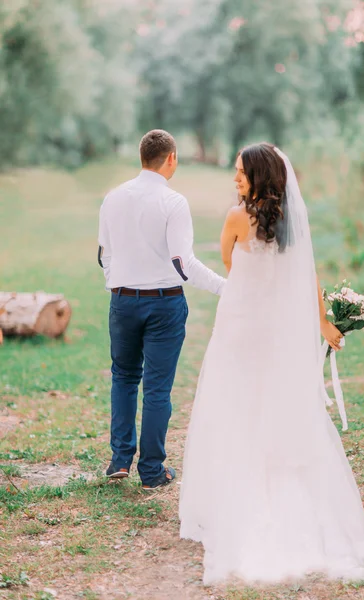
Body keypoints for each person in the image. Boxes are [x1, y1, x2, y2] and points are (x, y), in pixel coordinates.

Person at [179, 143, 364, 585]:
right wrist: (322, 322)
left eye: (241, 173)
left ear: (258, 177)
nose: (235, 179)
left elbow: (231, 264)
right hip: (274, 330)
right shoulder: (291, 226)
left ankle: (234, 501)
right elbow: (307, 275)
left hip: (241, 327)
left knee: (234, 409)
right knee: (274, 406)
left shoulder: (235, 218)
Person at [98, 129, 225, 489]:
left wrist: (117, 282)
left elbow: (103, 253)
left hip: (122, 301)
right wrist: (224, 288)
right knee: (156, 388)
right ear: (170, 159)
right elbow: (183, 262)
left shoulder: (112, 197)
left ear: (142, 157)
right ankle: (152, 471)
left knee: (123, 377)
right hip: (164, 303)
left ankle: (120, 459)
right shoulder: (173, 202)